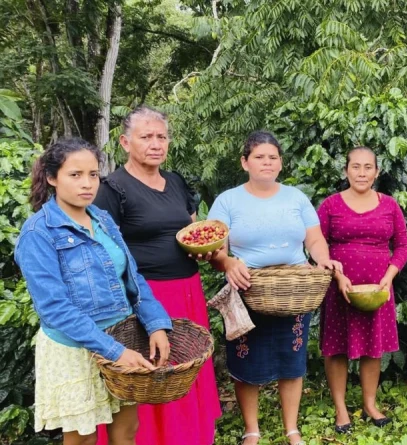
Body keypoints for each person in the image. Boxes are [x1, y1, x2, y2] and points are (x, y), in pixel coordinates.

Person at [15, 138, 172, 445]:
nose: (87, 184)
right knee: (83, 440)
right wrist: (115, 352)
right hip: (75, 350)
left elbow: (133, 277)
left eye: (93, 174)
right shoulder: (38, 233)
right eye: (75, 175)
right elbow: (55, 309)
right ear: (51, 178)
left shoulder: (102, 219)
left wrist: (156, 324)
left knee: (126, 433)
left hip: (122, 338)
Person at [93, 106, 220, 445]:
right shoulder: (112, 189)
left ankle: (189, 437)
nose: (155, 143)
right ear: (124, 142)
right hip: (145, 299)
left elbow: (193, 229)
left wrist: (207, 250)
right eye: (145, 136)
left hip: (188, 291)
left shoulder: (176, 182)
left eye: (161, 136)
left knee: (185, 369)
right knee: (151, 375)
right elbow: (105, 254)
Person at [208, 130, 341, 445]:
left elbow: (314, 239)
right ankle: (251, 429)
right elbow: (215, 250)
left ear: (280, 163)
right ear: (245, 162)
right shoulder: (227, 200)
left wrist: (323, 259)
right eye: (259, 157)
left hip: (293, 290)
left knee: (291, 358)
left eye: (272, 157)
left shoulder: (295, 197)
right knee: (245, 359)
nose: (266, 163)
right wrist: (228, 264)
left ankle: (291, 428)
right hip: (248, 288)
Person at [317, 146, 407, 432]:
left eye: (367, 167)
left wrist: (390, 275)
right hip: (339, 287)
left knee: (374, 347)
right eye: (355, 166)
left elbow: (403, 245)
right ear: (346, 170)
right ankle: (341, 408)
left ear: (376, 172)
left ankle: (370, 403)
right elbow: (317, 246)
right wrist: (335, 273)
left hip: (378, 288)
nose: (361, 172)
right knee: (336, 348)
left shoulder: (389, 205)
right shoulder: (330, 205)